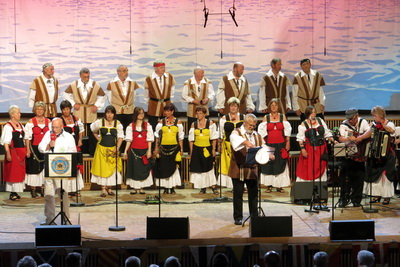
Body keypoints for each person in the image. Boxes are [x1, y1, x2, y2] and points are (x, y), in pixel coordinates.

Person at [230, 114, 272, 225]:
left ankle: (254, 216)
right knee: (238, 194)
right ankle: (238, 217)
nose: (252, 127)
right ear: (245, 123)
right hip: (239, 168)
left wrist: (269, 154)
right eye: (250, 125)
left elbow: (263, 146)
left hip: (252, 169)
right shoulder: (236, 132)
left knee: (253, 194)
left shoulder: (257, 135)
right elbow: (234, 140)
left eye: (254, 126)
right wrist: (246, 142)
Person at [38, 118, 77, 225]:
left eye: (56, 127)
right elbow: (40, 147)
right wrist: (48, 145)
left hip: (62, 169)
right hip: (49, 168)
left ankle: (65, 218)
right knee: (48, 194)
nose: (54, 129)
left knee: (63, 193)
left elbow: (73, 151)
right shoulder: (48, 134)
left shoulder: (68, 137)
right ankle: (49, 219)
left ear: (61, 126)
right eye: (52, 127)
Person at [356, 105, 396, 205]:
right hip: (376, 155)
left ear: (380, 115)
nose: (373, 118)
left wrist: (383, 124)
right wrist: (358, 138)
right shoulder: (374, 125)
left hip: (387, 155)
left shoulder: (390, 124)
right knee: (375, 174)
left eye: (374, 116)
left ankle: (386, 197)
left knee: (385, 176)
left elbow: (391, 131)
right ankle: (376, 195)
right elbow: (367, 134)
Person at [63, 67, 106, 155]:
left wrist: (97, 105)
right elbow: (66, 94)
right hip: (79, 110)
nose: (86, 78)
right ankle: (79, 151)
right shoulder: (74, 84)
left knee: (93, 130)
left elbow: (102, 95)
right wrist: (73, 104)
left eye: (87, 76)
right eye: (84, 77)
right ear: (80, 76)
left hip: (91, 110)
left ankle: (92, 152)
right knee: (78, 130)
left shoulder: (94, 84)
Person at [258, 98, 292, 193]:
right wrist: (263, 144)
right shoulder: (266, 117)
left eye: (275, 105)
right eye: (272, 105)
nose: (274, 107)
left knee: (279, 164)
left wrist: (288, 142)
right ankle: (269, 186)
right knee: (269, 165)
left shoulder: (282, 117)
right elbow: (261, 132)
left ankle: (279, 186)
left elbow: (287, 131)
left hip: (281, 144)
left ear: (278, 106)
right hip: (269, 144)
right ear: (269, 107)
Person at [338, 108, 370, 207]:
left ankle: (356, 199)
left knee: (359, 178)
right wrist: (348, 138)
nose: (350, 121)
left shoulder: (363, 122)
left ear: (357, 116)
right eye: (349, 119)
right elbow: (340, 138)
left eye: (352, 119)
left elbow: (369, 131)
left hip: (360, 156)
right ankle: (344, 199)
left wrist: (361, 137)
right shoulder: (344, 125)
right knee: (345, 178)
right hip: (348, 156)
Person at [90, 105, 124, 197]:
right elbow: (93, 129)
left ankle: (110, 189)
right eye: (108, 112)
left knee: (112, 170)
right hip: (101, 150)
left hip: (112, 150)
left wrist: (117, 148)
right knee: (102, 168)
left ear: (114, 114)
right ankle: (103, 190)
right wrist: (98, 139)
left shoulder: (118, 124)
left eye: (111, 113)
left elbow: (120, 137)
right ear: (105, 113)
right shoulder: (100, 122)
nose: (109, 115)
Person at [296, 105, 335, 182]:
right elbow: (300, 139)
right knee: (309, 167)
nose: (313, 114)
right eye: (311, 113)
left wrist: (333, 140)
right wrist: (303, 149)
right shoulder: (303, 124)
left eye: (314, 112)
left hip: (321, 148)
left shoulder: (320, 120)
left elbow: (326, 133)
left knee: (320, 166)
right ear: (307, 114)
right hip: (310, 149)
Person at [154, 103, 184, 194]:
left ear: (172, 111)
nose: (166, 113)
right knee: (164, 168)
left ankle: (172, 187)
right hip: (163, 149)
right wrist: (156, 149)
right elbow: (157, 137)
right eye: (165, 111)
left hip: (174, 149)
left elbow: (180, 137)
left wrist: (181, 149)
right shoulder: (161, 123)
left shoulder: (178, 123)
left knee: (173, 168)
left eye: (168, 111)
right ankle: (166, 188)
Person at [123, 107, 154, 195]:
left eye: (143, 113)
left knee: (143, 169)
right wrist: (125, 151)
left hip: (144, 151)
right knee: (134, 169)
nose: (141, 115)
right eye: (140, 113)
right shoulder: (131, 126)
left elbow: (149, 140)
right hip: (133, 151)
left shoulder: (147, 125)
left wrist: (149, 151)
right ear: (136, 114)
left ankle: (141, 187)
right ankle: (134, 188)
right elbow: (129, 140)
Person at [189, 106, 218, 194]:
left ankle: (213, 186)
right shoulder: (194, 124)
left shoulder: (210, 123)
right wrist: (191, 151)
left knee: (209, 168)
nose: (198, 115)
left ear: (204, 114)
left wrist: (213, 149)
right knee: (200, 168)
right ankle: (203, 187)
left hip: (207, 149)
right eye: (197, 113)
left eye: (200, 113)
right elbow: (191, 140)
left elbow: (214, 138)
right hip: (197, 149)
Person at [24, 101, 50, 198]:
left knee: (44, 169)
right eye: (37, 109)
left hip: (45, 148)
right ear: (35, 110)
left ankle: (43, 188)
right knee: (33, 169)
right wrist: (28, 150)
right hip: (34, 148)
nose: (39, 111)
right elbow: (27, 138)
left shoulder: (49, 122)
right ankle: (33, 189)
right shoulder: (31, 122)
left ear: (44, 110)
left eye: (41, 109)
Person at [59, 100, 85, 198]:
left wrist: (80, 140)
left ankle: (75, 189)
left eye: (67, 109)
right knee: (68, 168)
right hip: (66, 147)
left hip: (76, 146)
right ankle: (68, 190)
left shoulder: (76, 118)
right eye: (64, 109)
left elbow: (81, 131)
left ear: (70, 109)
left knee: (76, 167)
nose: (66, 111)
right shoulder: (60, 120)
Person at [0, 105, 26, 201]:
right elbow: (6, 142)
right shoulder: (8, 126)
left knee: (19, 173)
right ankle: (12, 193)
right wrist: (8, 154)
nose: (20, 114)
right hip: (13, 152)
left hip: (21, 152)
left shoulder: (21, 125)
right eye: (18, 113)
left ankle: (16, 192)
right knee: (13, 173)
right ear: (12, 115)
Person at [218, 97, 245, 189]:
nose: (233, 108)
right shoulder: (224, 118)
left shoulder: (243, 117)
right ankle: (229, 185)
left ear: (238, 107)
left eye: (235, 106)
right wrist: (219, 145)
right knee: (228, 164)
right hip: (227, 145)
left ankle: (241, 184)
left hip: (240, 145)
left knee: (239, 164)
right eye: (231, 106)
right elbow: (220, 133)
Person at [143, 60, 176, 131]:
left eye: (164, 67)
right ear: (155, 68)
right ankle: (153, 141)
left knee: (166, 124)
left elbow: (172, 90)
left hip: (166, 103)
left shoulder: (169, 77)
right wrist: (149, 102)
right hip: (153, 104)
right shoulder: (149, 79)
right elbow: (146, 93)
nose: (163, 69)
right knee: (153, 125)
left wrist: (169, 100)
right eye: (161, 67)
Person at [106, 65, 140, 130]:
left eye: (127, 70)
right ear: (118, 72)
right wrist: (118, 104)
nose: (126, 72)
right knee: (117, 129)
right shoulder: (112, 83)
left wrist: (128, 103)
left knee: (128, 129)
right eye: (124, 71)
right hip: (117, 111)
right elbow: (109, 98)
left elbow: (134, 96)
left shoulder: (132, 82)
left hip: (129, 111)